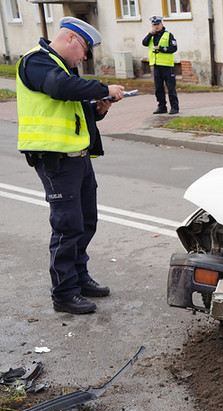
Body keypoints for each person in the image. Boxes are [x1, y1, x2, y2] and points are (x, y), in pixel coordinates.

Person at [16, 17, 125, 314]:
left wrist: (97, 109)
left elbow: (71, 111)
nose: (85, 57)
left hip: (77, 158)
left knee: (86, 222)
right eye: (85, 50)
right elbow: (60, 88)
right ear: (71, 40)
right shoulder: (36, 63)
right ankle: (64, 292)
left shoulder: (63, 70)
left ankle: (79, 277)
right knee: (67, 227)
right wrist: (102, 87)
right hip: (55, 161)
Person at [142, 15, 179, 114]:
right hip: (156, 66)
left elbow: (174, 48)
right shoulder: (152, 36)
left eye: (158, 24)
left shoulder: (168, 35)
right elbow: (144, 43)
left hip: (167, 66)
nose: (156, 26)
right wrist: (150, 34)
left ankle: (174, 107)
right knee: (158, 88)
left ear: (162, 24)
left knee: (171, 88)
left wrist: (161, 48)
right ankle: (162, 107)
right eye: (154, 25)